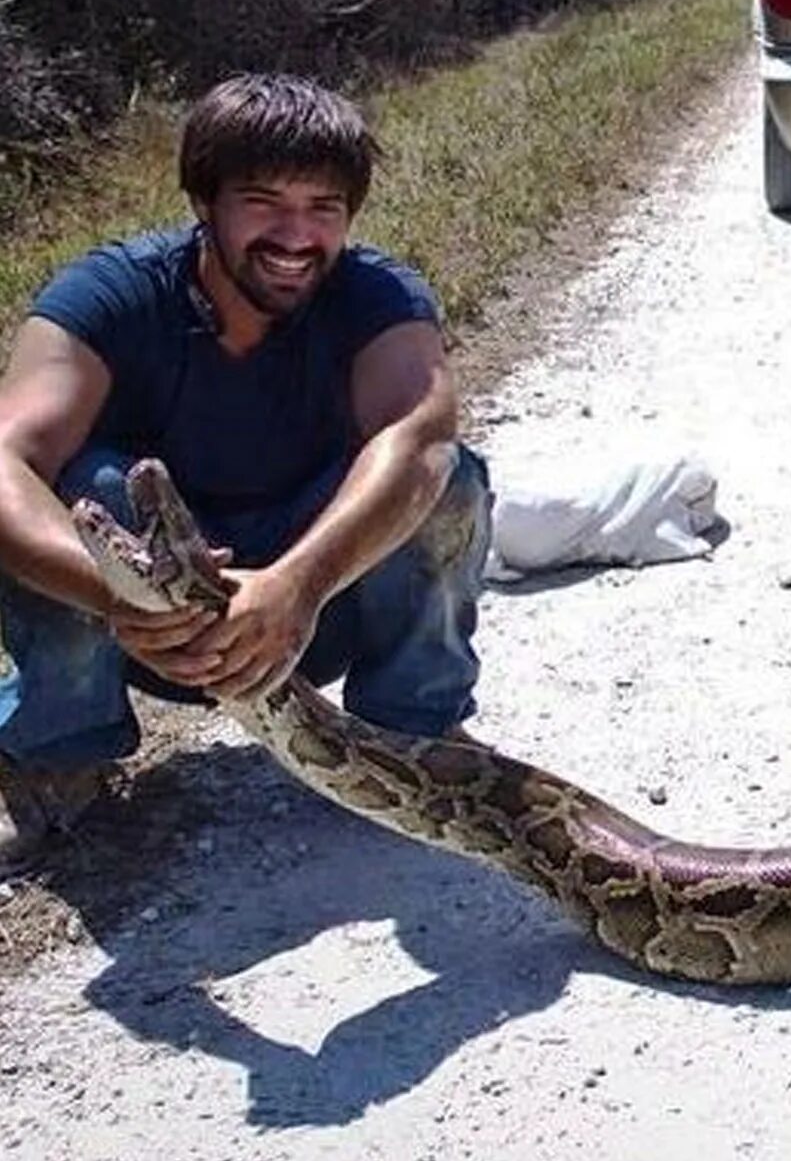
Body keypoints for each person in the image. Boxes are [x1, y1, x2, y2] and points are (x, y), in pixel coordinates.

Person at [0, 73, 491, 868]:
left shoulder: (377, 296)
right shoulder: (109, 294)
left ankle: (414, 736)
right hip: (141, 622)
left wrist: (298, 584)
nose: (296, 237)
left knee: (447, 478)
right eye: (263, 202)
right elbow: (6, 460)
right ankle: (58, 755)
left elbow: (420, 433)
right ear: (205, 202)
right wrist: (126, 600)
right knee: (80, 492)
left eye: (323, 208)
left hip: (311, 605)